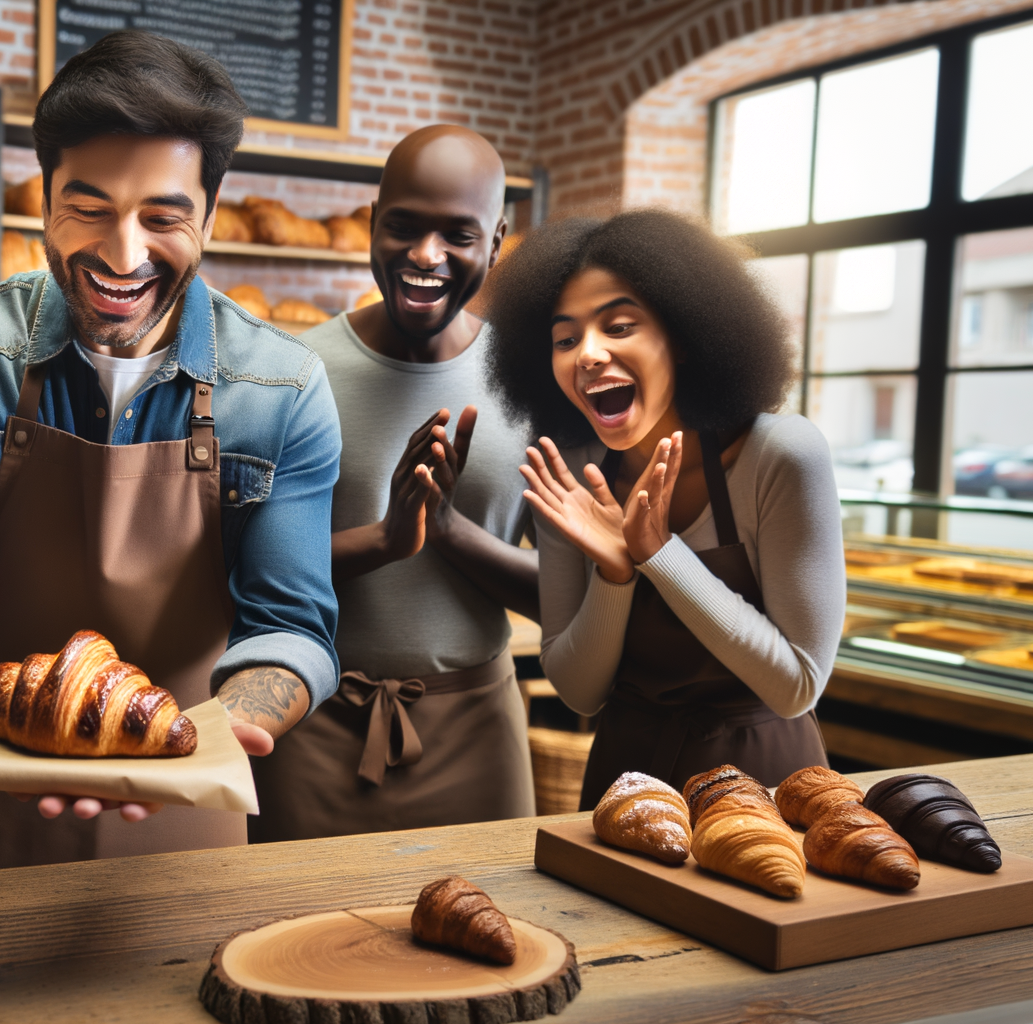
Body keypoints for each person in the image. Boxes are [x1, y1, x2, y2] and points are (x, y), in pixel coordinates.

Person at [0, 30, 342, 875]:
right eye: (90, 207)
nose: (124, 254)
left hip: (181, 797)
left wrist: (219, 734)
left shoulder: (283, 388)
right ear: (44, 199)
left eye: (163, 216)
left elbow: (292, 626)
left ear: (211, 216)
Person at [483, 209, 842, 808]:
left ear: (684, 332)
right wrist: (615, 573)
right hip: (625, 782)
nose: (588, 354)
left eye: (618, 327)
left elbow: (796, 684)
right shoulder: (572, 471)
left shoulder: (780, 453)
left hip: (768, 787)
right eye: (565, 339)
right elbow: (579, 692)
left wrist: (660, 554)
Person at [250, 125, 539, 842]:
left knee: (499, 938)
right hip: (306, 721)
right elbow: (249, 574)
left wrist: (448, 532)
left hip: (479, 725)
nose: (425, 256)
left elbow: (567, 594)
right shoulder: (292, 370)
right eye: (403, 227)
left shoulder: (536, 383)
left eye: (458, 234)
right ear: (373, 223)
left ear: (497, 241)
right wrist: (385, 539)